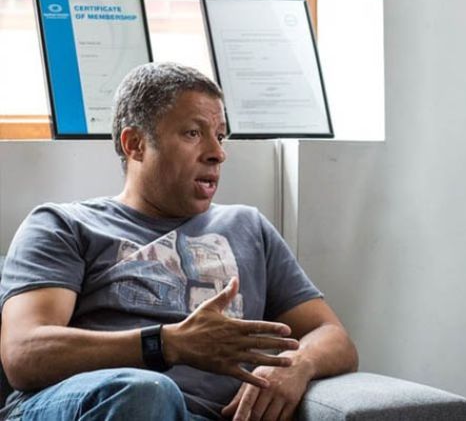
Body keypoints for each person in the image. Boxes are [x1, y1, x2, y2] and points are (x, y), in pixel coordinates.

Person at [0, 62, 358, 420]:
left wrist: (298, 364)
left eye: (220, 136)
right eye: (193, 133)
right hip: (101, 404)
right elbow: (24, 352)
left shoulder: (248, 227)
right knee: (146, 392)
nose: (217, 152)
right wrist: (167, 343)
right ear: (135, 144)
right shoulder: (64, 225)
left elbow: (331, 334)